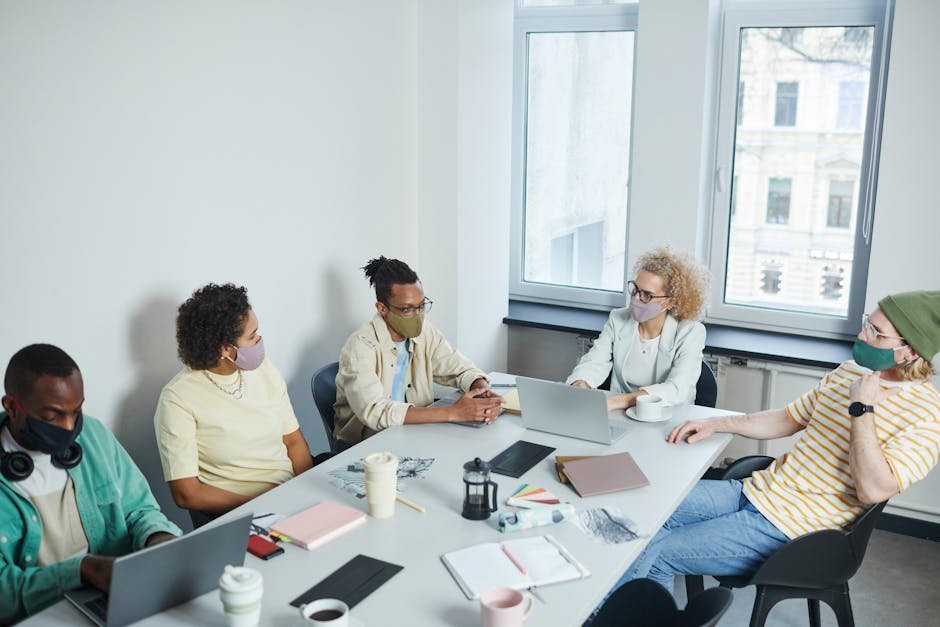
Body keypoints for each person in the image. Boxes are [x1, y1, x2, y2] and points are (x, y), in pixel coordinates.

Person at [616, 290, 940, 595]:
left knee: (656, 550)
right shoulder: (849, 373)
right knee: (649, 510)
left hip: (795, 530)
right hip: (756, 491)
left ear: (909, 351)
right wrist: (717, 423)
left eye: (877, 332)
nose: (862, 336)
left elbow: (872, 490)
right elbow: (788, 419)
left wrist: (862, 409)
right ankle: (640, 612)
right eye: (867, 323)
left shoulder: (926, 415)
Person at [0, 344, 181, 623]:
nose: (70, 428)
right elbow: (4, 594)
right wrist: (82, 570)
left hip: (112, 598)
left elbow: (140, 511)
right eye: (52, 416)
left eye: (77, 411)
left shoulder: (94, 436)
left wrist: (158, 538)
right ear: (11, 406)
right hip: (40, 614)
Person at [154, 283, 313, 517]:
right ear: (225, 349)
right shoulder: (178, 399)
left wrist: (306, 495)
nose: (259, 340)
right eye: (252, 336)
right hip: (242, 513)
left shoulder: (265, 370)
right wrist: (264, 507)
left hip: (290, 495)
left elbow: (294, 442)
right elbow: (186, 492)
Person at [333, 256, 503, 447]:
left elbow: (460, 368)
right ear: (382, 308)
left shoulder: (425, 332)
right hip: (368, 446)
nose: (417, 316)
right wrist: (453, 412)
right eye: (406, 309)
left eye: (421, 306)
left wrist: (482, 392)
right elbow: (376, 412)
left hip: (418, 435)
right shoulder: (359, 346)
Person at [567, 245, 709, 411]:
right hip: (620, 414)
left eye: (646, 295)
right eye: (635, 289)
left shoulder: (690, 332)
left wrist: (619, 402)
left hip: (666, 415)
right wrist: (580, 384)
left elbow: (676, 389)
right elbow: (595, 361)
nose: (635, 298)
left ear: (670, 302)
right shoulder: (618, 319)